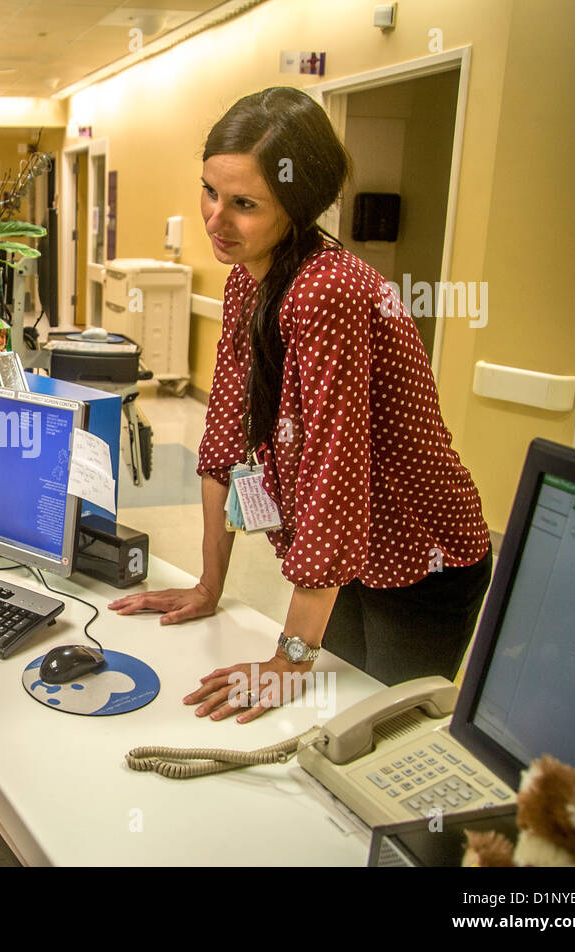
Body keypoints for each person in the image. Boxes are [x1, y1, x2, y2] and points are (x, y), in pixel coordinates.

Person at [110, 87, 491, 720]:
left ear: (299, 205)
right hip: (345, 555)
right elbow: (225, 440)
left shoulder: (328, 292)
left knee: (379, 731)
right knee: (319, 717)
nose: (215, 220)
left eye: (244, 205)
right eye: (209, 191)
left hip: (421, 554)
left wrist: (289, 660)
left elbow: (331, 477)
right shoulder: (247, 283)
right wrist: (208, 585)